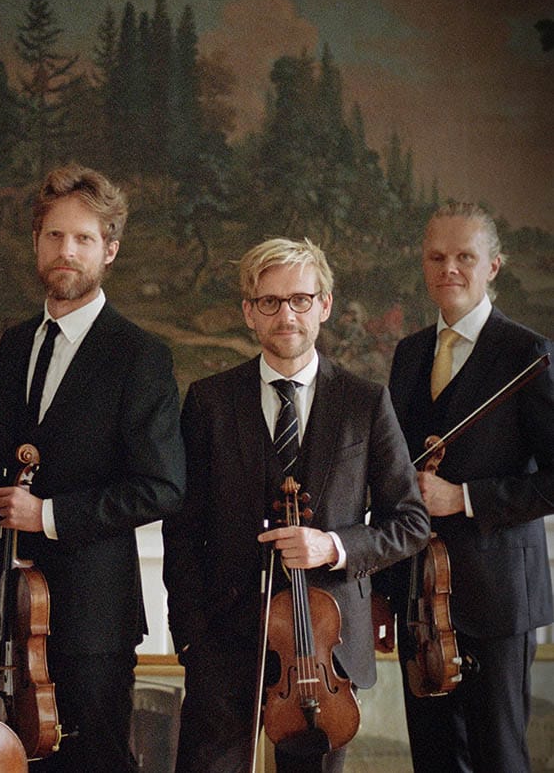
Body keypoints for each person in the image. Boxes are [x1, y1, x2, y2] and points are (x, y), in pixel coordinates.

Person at [162, 237, 430, 773]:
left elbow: (411, 522)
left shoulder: (365, 401)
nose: (286, 315)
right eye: (270, 302)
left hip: (326, 648)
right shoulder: (210, 400)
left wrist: (332, 546)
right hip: (225, 640)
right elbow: (183, 530)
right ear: (249, 312)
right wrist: (191, 637)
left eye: (300, 300)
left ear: (324, 305)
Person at [0, 163, 185, 772]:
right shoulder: (16, 344)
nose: (66, 251)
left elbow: (162, 487)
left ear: (110, 250)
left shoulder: (140, 355)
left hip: (95, 617)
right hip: (15, 606)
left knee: (94, 762)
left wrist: (47, 515)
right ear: (36, 242)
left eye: (83, 238)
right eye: (54, 235)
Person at [375, 201, 554, 772]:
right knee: (433, 760)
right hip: (420, 598)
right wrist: (382, 590)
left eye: (464, 257)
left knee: (499, 758)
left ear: (493, 266)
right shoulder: (409, 354)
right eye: (436, 257)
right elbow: (390, 479)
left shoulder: (528, 354)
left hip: (497, 598)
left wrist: (465, 498)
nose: (448, 268)